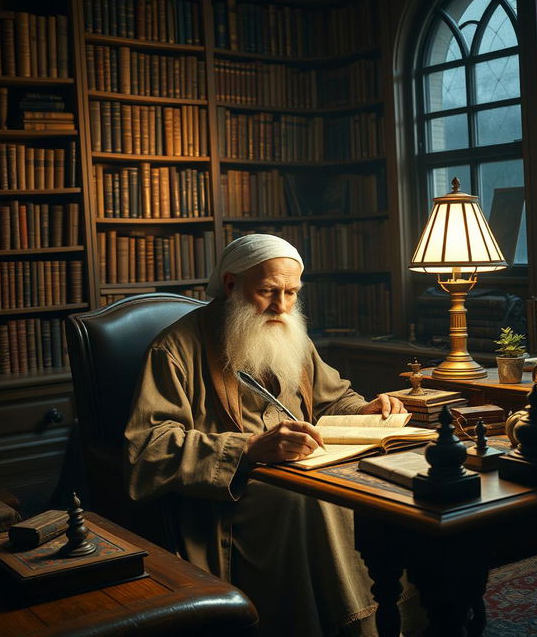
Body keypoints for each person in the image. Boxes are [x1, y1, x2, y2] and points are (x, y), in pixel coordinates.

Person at [124, 234, 408, 636]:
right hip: (235, 491)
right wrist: (250, 449)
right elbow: (149, 448)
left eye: (292, 293)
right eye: (267, 292)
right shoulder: (174, 349)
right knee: (310, 501)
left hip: (305, 465)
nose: (282, 306)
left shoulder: (290, 333)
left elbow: (333, 399)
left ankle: (393, 618)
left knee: (378, 484)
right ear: (230, 285)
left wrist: (366, 410)